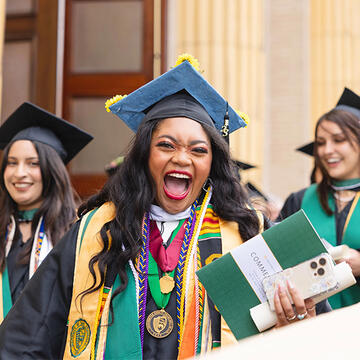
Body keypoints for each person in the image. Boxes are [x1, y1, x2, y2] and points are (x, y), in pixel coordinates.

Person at [0, 56, 324, 359]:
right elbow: (30, 333)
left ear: (213, 163)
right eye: (166, 145)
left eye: (198, 150)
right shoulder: (96, 231)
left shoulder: (248, 232)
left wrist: (297, 320)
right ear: (144, 156)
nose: (181, 158)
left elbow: (312, 334)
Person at [0, 102, 93, 320]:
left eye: (33, 164)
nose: (19, 173)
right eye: (12, 163)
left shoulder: (76, 232)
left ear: (52, 171)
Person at [278, 87, 360, 309]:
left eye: (339, 140)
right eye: (321, 142)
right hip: (310, 326)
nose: (327, 150)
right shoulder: (300, 200)